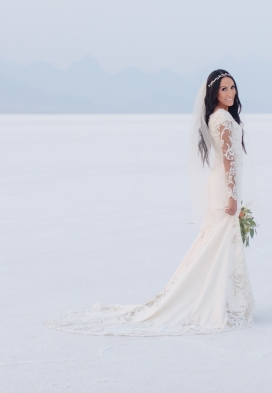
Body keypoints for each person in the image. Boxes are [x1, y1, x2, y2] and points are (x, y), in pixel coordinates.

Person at [45, 69, 255, 335]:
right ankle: (210, 301)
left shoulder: (217, 116)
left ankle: (217, 299)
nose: (230, 93)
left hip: (221, 184)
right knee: (218, 242)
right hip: (224, 186)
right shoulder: (222, 118)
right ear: (214, 93)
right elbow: (229, 160)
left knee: (217, 242)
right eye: (224, 89)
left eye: (232, 88)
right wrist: (234, 196)